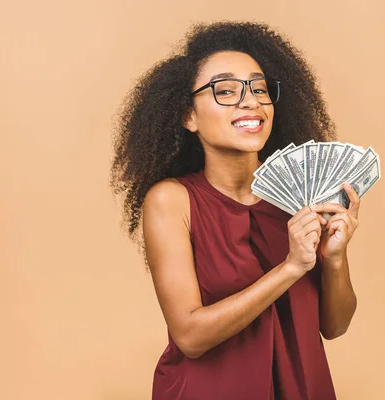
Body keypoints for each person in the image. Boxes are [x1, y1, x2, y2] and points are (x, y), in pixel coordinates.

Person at [110, 21, 359, 400]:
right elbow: (190, 336)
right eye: (225, 90)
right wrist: (291, 268)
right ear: (188, 116)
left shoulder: (303, 196)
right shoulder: (172, 201)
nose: (250, 101)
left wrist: (336, 258)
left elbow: (335, 326)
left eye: (259, 88)